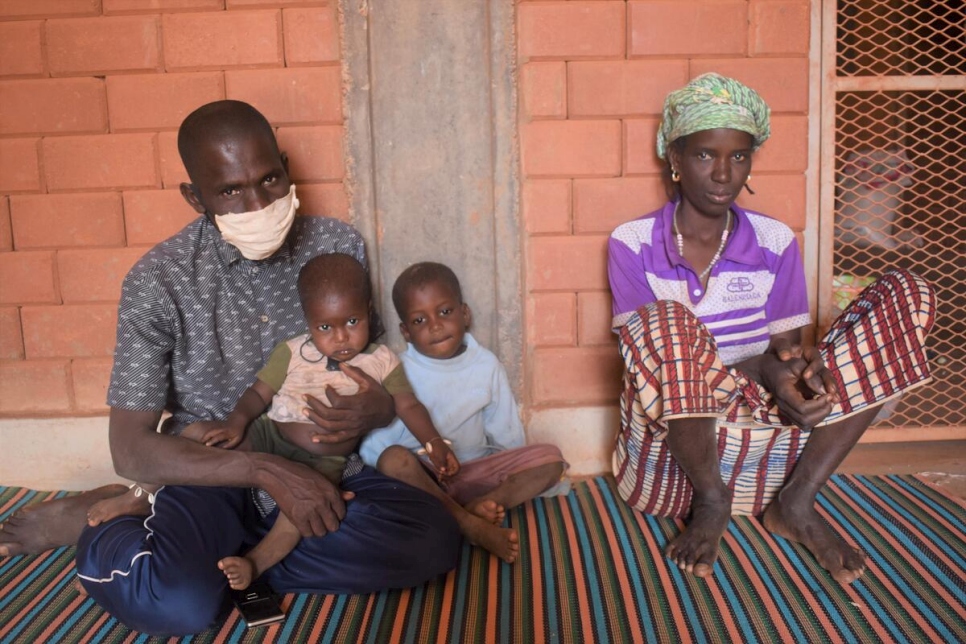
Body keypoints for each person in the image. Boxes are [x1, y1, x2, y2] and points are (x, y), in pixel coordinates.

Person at [0, 100, 460, 636]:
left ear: (286, 167)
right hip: (206, 468)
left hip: (319, 463)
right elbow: (129, 447)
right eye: (230, 191)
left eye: (269, 179)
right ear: (195, 197)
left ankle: (218, 557)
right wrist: (265, 470)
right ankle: (112, 530)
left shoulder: (336, 247)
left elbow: (371, 368)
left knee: (434, 538)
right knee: (180, 607)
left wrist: (376, 409)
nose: (258, 202)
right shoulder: (157, 283)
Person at [607, 73, 934, 584]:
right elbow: (642, 359)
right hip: (676, 429)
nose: (722, 174)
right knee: (669, 322)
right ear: (673, 158)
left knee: (907, 293)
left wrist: (797, 374)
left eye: (738, 157)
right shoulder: (632, 243)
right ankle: (712, 501)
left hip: (761, 412)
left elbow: (783, 351)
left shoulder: (775, 239)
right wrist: (759, 367)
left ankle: (797, 501)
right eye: (703, 156)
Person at [84, 253, 459, 591]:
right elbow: (258, 393)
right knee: (200, 434)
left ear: (369, 311)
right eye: (325, 328)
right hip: (270, 434)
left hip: (323, 462)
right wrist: (235, 423)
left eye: (352, 321)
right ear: (309, 322)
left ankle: (255, 563)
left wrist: (434, 443)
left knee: (304, 514)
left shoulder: (381, 360)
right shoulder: (293, 351)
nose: (341, 336)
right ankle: (140, 493)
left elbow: (408, 406)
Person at [360, 262, 569, 564]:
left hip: (474, 473)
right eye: (420, 320)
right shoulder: (397, 370)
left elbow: (505, 432)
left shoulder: (486, 366)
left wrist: (515, 472)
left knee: (551, 458)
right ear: (406, 331)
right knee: (394, 459)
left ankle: (482, 506)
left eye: (445, 312)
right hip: (424, 479)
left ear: (465, 314)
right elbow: (380, 445)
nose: (435, 325)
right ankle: (469, 524)